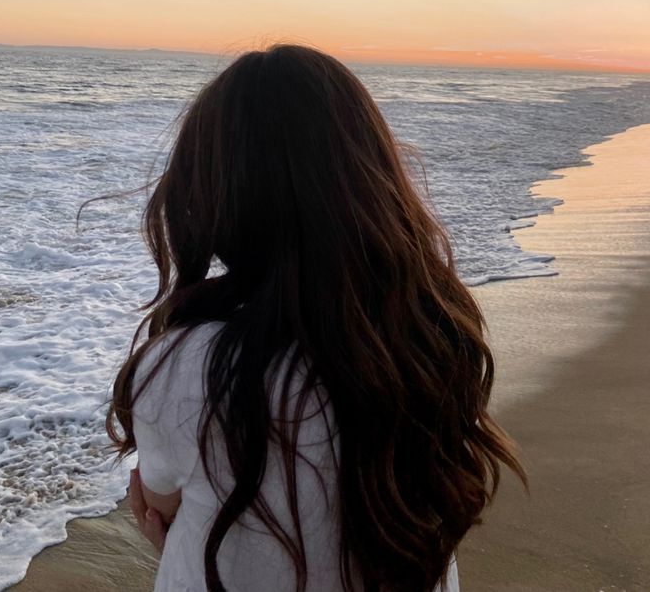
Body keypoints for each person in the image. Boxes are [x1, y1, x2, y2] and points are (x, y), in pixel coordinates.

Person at [107, 44, 526, 592]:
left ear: (210, 196)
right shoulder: (430, 337)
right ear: (371, 178)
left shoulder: (185, 366)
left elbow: (157, 507)